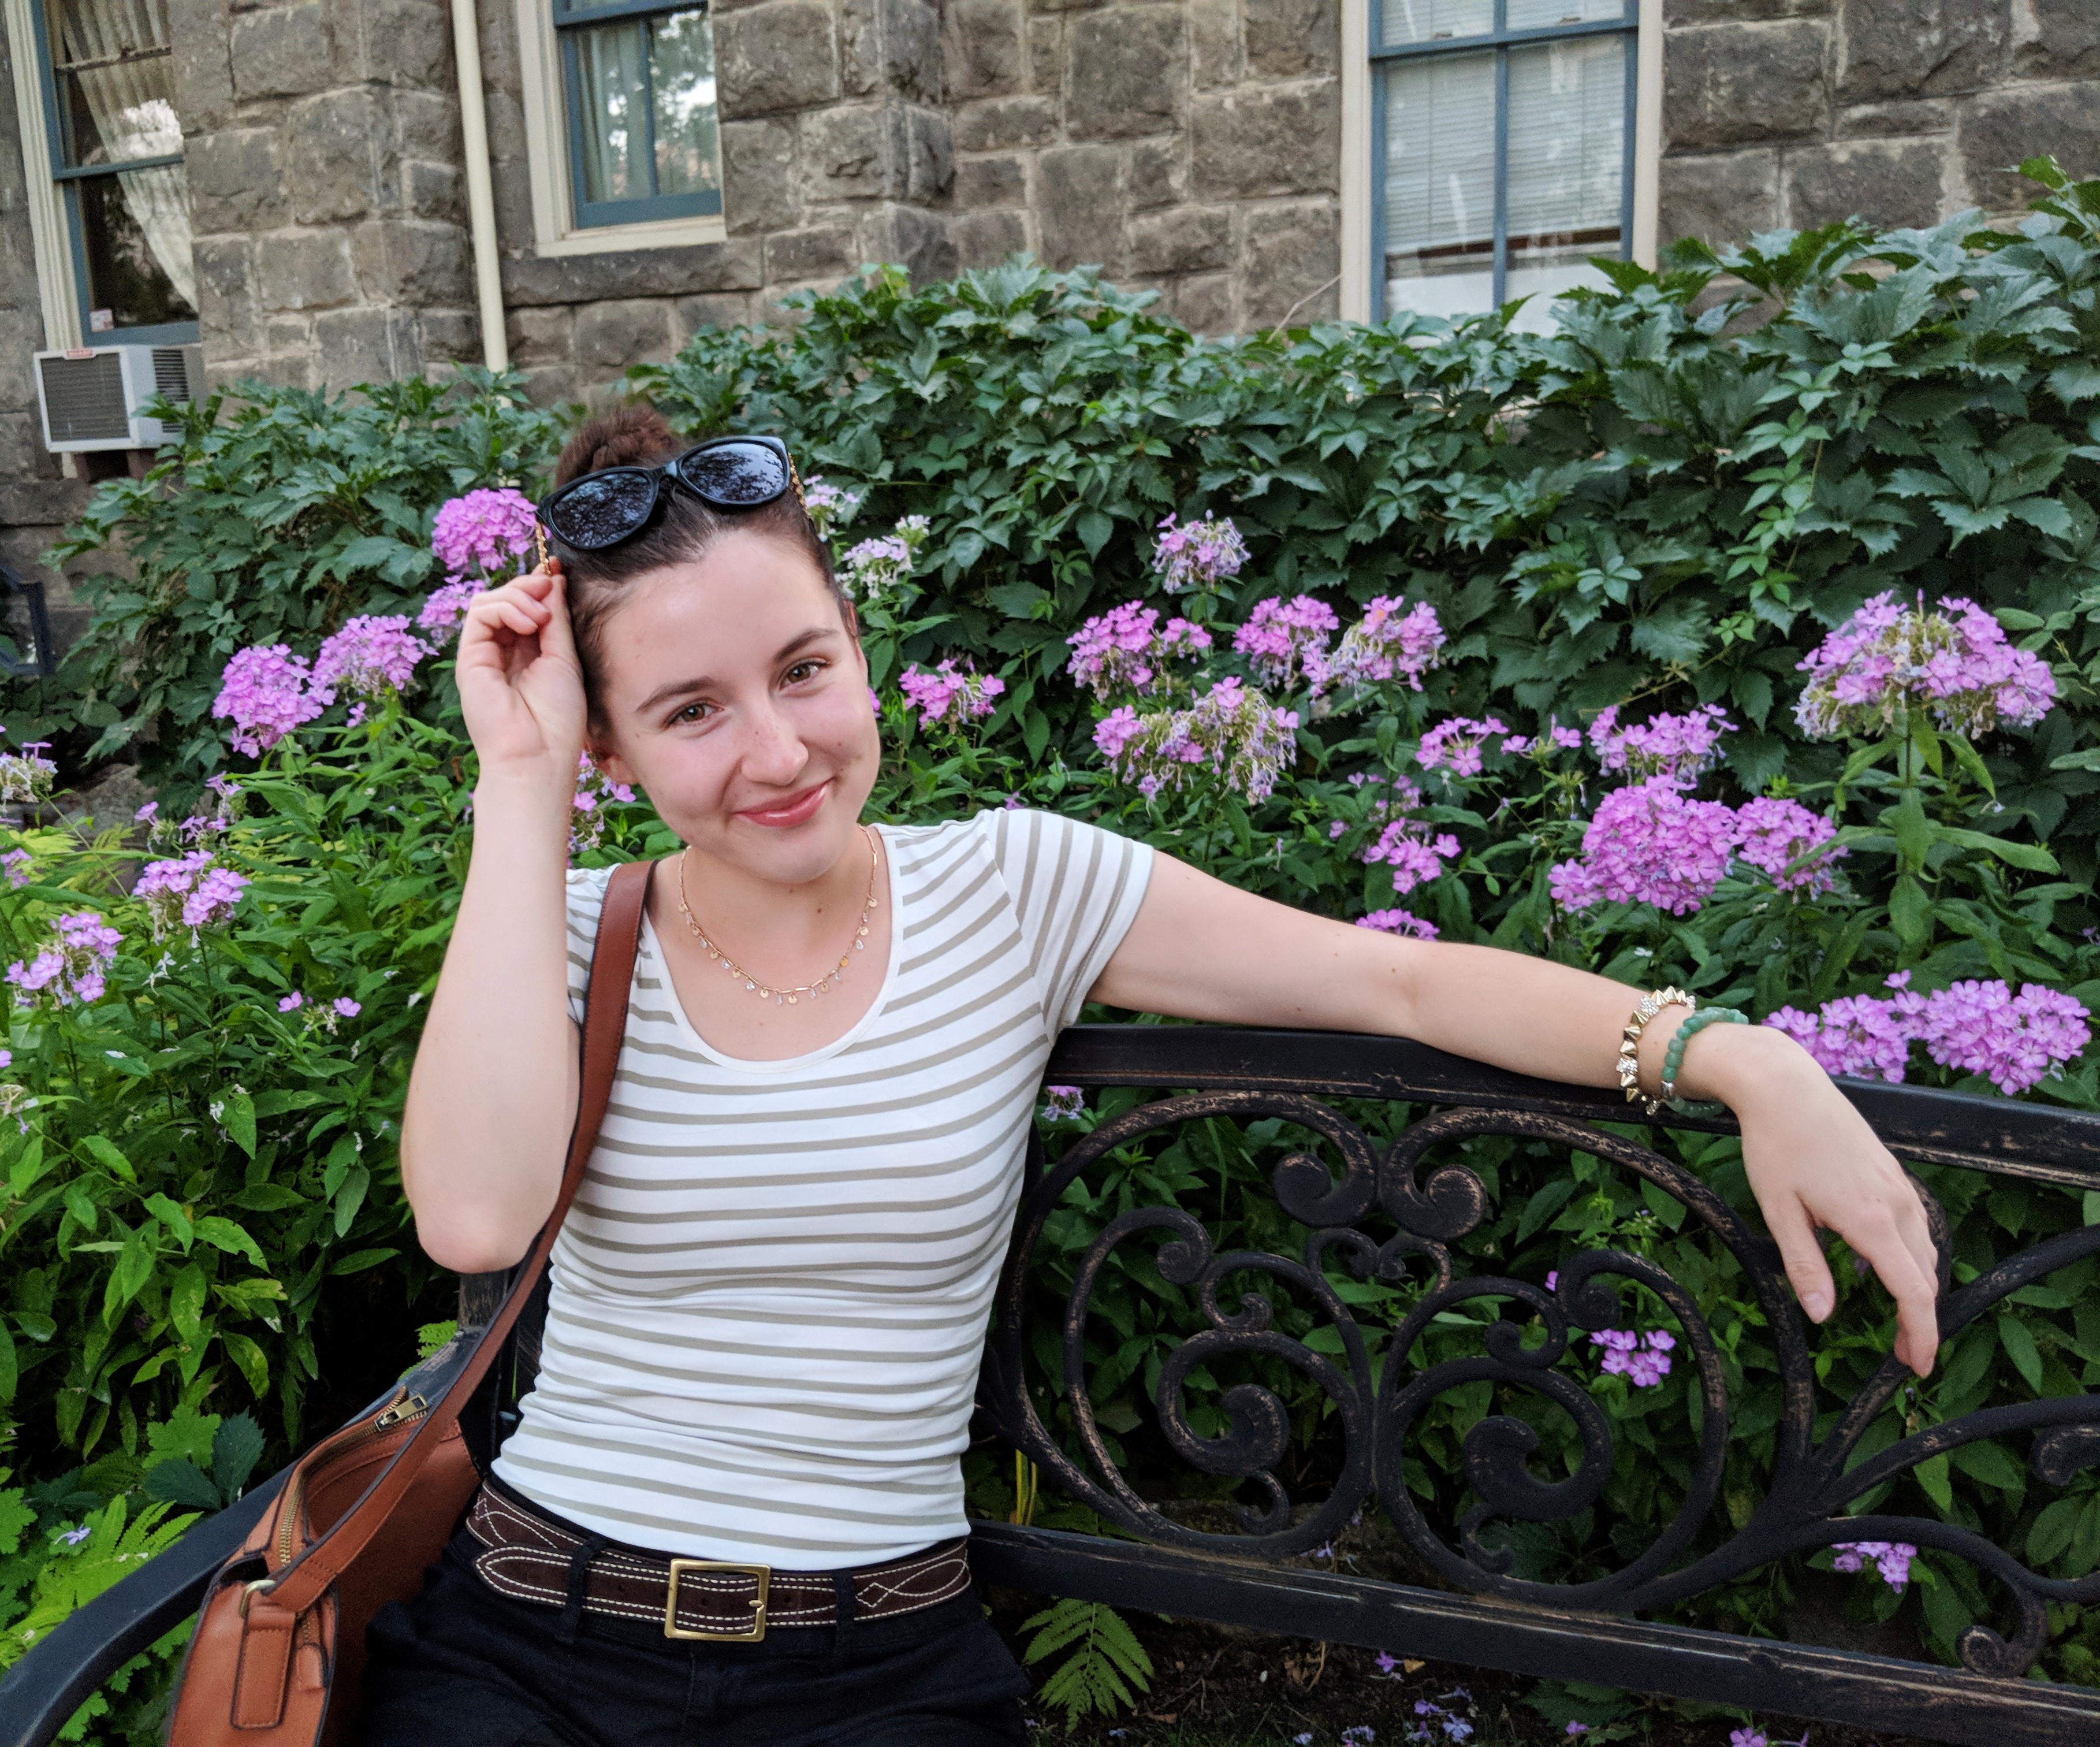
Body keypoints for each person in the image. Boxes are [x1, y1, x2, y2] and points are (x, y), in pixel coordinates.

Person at [368, 406, 1941, 1746]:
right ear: (615, 752)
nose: (776, 751)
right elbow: (474, 1217)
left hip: (879, 1669)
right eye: (690, 712)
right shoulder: (566, 930)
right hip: (533, 1637)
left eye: (804, 668)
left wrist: (1733, 1054)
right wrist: (521, 781)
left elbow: (1383, 975)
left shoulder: (1011, 890)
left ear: (860, 649)